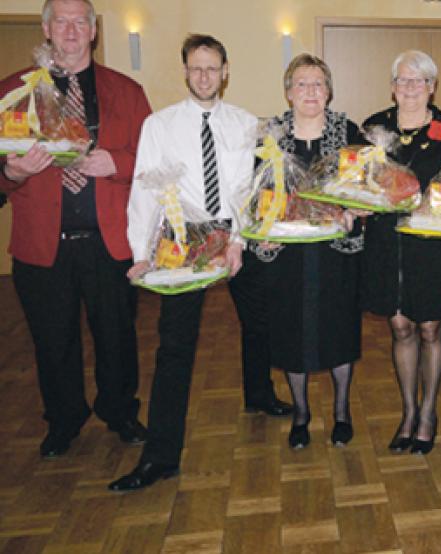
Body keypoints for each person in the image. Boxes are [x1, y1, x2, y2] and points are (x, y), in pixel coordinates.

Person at [108, 34, 291, 492]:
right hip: (184, 241)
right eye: (196, 68)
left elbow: (252, 190)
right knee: (174, 347)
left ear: (226, 71)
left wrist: (237, 241)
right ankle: (161, 456)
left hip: (235, 233)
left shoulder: (247, 123)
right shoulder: (159, 125)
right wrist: (142, 254)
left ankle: (259, 393)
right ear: (185, 71)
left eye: (212, 68)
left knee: (261, 319)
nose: (204, 76)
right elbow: (145, 191)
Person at [0, 0, 150, 458]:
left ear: (93, 31)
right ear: (46, 29)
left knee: (118, 336)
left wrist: (116, 162)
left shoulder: (125, 90)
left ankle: (120, 411)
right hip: (42, 246)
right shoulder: (13, 91)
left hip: (109, 242)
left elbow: (154, 159)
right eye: (60, 21)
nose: (70, 29)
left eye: (79, 21)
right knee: (52, 341)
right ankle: (63, 420)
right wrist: (16, 173)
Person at [361, 50, 441, 455]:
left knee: (429, 328)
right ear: (392, 87)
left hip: (429, 245)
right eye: (402, 80)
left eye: (419, 80)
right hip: (388, 243)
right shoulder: (373, 129)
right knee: (401, 326)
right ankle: (407, 411)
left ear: (431, 87)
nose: (410, 88)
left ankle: (428, 412)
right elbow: (360, 181)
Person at [264, 54, 365, 451]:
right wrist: (261, 232)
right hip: (287, 251)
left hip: (335, 252)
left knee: (338, 327)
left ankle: (342, 411)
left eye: (318, 83)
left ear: (329, 91)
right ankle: (301, 413)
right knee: (292, 329)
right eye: (302, 84)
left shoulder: (348, 131)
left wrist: (361, 207)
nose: (311, 91)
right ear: (288, 92)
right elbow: (255, 192)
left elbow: (364, 186)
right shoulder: (269, 135)